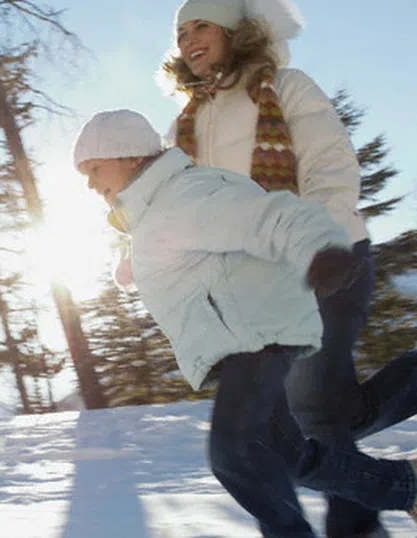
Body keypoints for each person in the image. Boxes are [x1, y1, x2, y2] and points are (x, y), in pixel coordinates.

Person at [71, 108, 417, 538]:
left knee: (232, 453)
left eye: (94, 168)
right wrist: (131, 266)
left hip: (257, 336)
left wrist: (321, 247)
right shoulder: (156, 210)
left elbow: (271, 215)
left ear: (132, 157)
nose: (89, 182)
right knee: (290, 459)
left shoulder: (186, 194)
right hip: (244, 339)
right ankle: (406, 488)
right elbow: (175, 251)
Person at [157, 1, 417, 535]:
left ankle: (359, 528)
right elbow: (169, 207)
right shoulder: (182, 125)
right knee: (335, 411)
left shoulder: (288, 87)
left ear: (235, 30)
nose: (188, 39)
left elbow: (331, 163)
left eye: (201, 24)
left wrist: (317, 240)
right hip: (259, 287)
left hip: (328, 258)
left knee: (314, 415)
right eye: (180, 31)